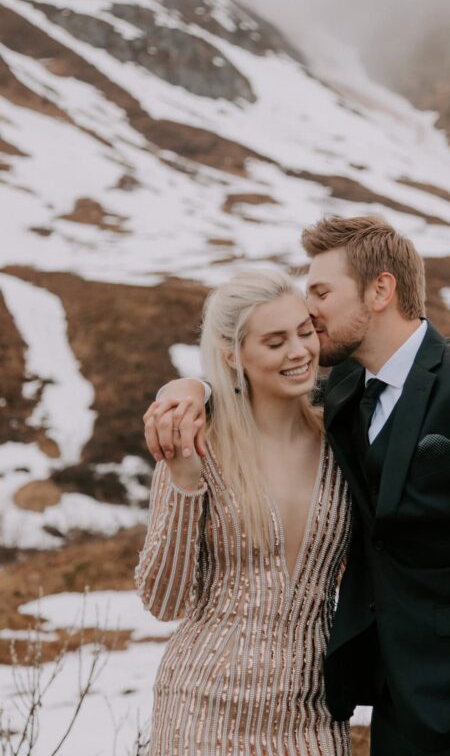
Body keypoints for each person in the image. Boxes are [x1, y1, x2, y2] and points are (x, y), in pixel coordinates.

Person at [150, 216, 450, 756]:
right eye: (304, 300)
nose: (309, 316)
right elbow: (253, 381)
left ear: (380, 290)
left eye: (320, 293)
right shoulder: (343, 397)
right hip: (391, 711)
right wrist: (192, 388)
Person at [136, 268, 352, 756]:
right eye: (275, 342)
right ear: (235, 355)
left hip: (313, 713)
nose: (299, 352)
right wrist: (185, 481)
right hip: (202, 710)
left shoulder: (343, 442)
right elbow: (164, 601)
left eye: (304, 332)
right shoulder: (198, 442)